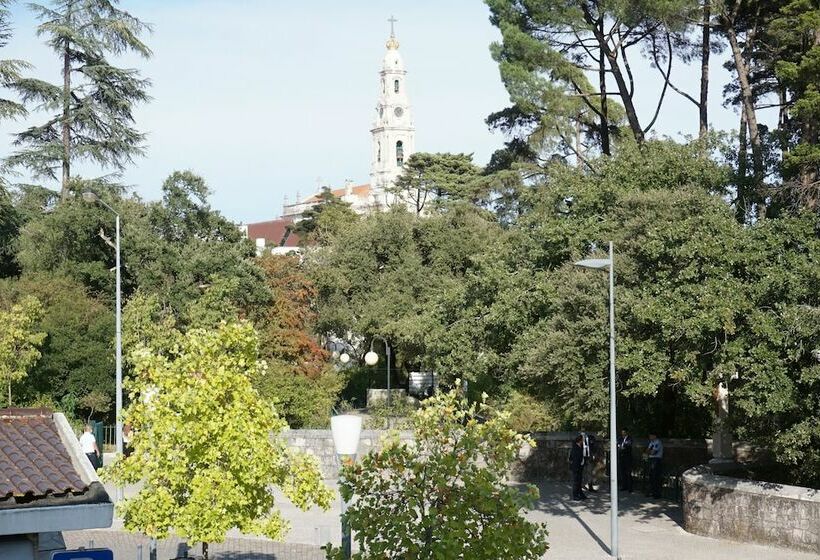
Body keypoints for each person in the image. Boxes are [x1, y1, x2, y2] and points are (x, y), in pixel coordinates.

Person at [647, 433, 664, 498]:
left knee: (656, 477)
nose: (650, 437)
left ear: (655, 436)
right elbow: (647, 450)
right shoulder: (651, 442)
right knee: (651, 477)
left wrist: (650, 451)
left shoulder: (658, 442)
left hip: (656, 460)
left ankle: (657, 494)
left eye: (651, 435)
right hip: (651, 459)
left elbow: (653, 452)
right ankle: (652, 492)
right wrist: (649, 451)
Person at [569, 434, 586, 500]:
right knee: (576, 482)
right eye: (582, 440)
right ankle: (575, 495)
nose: (583, 441)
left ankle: (580, 494)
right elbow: (573, 458)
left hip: (580, 466)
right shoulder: (575, 447)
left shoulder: (580, 447)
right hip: (576, 467)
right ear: (580, 440)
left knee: (579, 481)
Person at [617, 428, 633, 492]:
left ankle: (630, 487)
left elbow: (628, 445)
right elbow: (618, 444)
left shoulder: (629, 438)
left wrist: (622, 447)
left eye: (624, 432)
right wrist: (621, 447)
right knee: (622, 472)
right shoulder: (620, 438)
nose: (623, 433)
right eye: (622, 432)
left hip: (627, 458)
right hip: (621, 457)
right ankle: (624, 486)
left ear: (626, 432)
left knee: (628, 473)